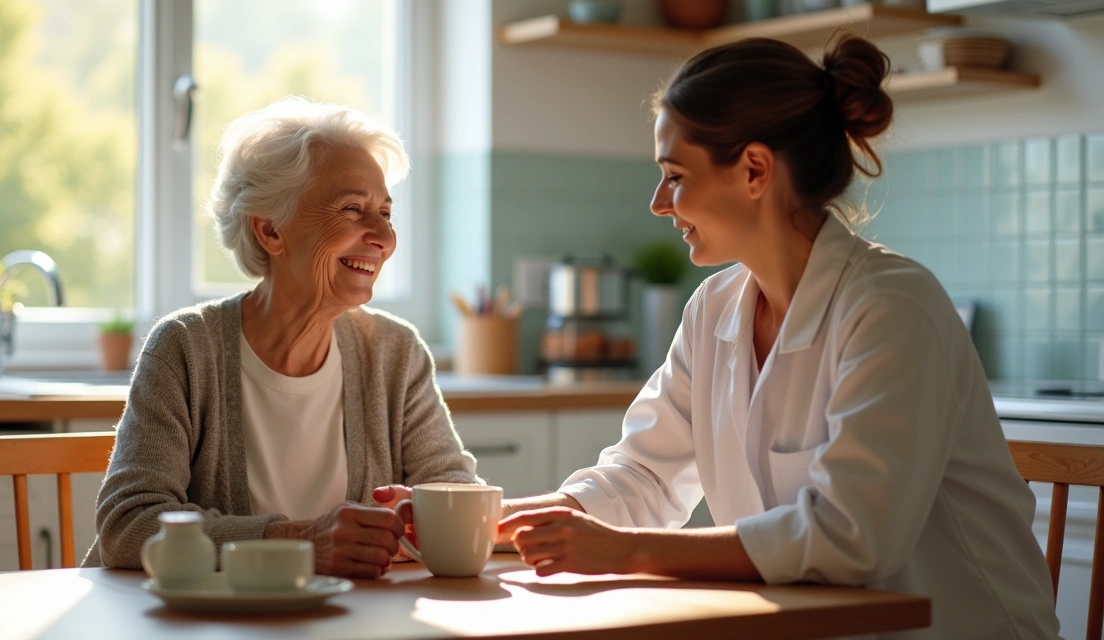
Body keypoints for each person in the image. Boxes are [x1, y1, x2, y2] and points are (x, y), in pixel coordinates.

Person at [497, 36, 1061, 639]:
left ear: (755, 170)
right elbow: (646, 475)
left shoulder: (892, 307)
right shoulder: (713, 308)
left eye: (675, 176)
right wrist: (497, 524)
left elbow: (850, 538)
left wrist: (626, 551)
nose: (659, 203)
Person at [84, 97, 479, 579]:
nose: (383, 236)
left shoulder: (394, 352)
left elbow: (456, 489)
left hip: (355, 624)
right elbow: (128, 526)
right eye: (353, 209)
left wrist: (423, 511)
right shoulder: (186, 348)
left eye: (386, 213)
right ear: (271, 230)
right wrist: (299, 543)